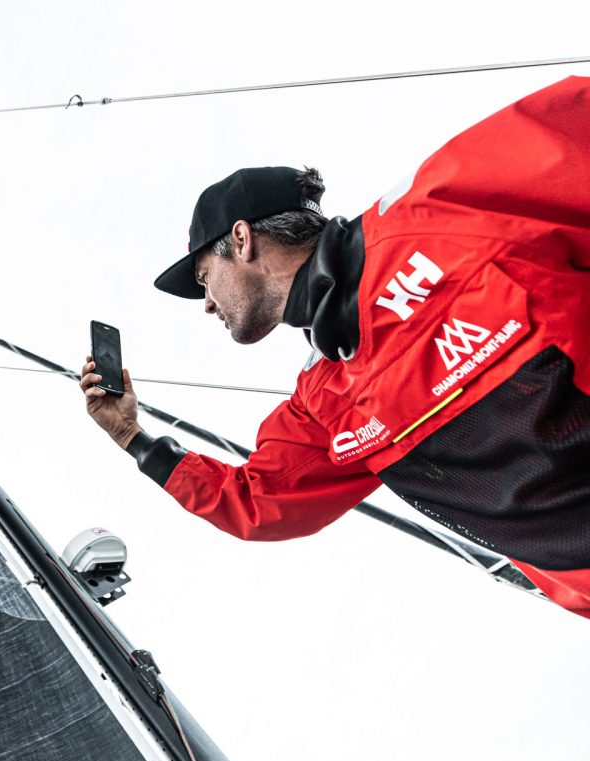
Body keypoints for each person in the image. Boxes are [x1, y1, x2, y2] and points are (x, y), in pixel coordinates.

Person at [81, 75, 590, 619]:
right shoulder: (321, 406)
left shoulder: (443, 209)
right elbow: (255, 502)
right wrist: (130, 435)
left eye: (205, 279)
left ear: (241, 240)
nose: (207, 304)